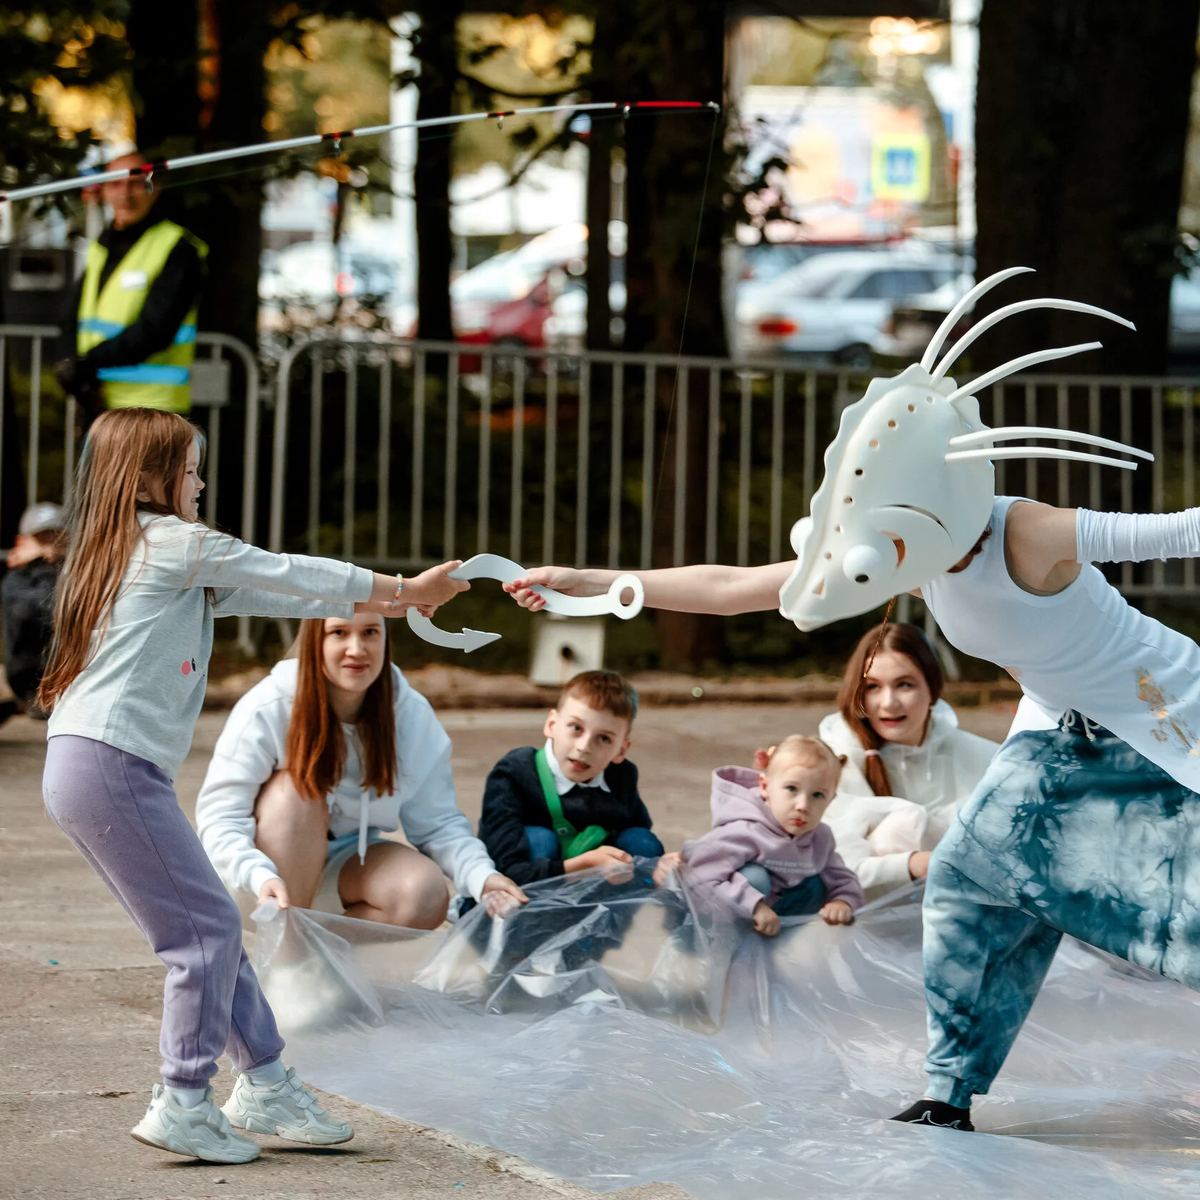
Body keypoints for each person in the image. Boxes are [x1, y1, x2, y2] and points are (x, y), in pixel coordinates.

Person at [502, 267, 1200, 1133]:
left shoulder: (1026, 533)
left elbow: (1182, 531)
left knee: (1178, 918)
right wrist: (588, 582)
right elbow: (731, 586)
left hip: (1168, 714)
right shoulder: (915, 553)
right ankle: (950, 1091)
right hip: (1060, 727)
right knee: (970, 881)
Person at [37, 407, 468, 1164]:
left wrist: (385, 604)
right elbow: (280, 569)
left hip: (90, 767)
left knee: (209, 928)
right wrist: (401, 588)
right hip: (109, 767)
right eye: (191, 470)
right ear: (149, 476)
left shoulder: (126, 550)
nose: (200, 484)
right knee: (202, 936)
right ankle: (183, 1098)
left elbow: (282, 595)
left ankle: (265, 1080)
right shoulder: (172, 543)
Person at [196, 612, 526, 926]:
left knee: (423, 893)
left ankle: (312, 963)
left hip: (344, 869)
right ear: (315, 640)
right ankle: (286, 960)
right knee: (293, 791)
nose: (357, 649)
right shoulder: (269, 706)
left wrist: (482, 876)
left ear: (385, 639)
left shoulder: (409, 713)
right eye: (339, 632)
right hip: (261, 880)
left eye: (370, 632)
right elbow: (220, 817)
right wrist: (257, 874)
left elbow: (437, 823)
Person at [817, 622, 997, 900]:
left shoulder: (987, 759)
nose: (889, 703)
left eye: (904, 684)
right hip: (862, 922)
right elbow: (829, 867)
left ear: (932, 688)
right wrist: (914, 864)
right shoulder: (833, 762)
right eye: (873, 687)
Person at [657, 735, 863, 934]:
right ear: (765, 787)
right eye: (791, 789)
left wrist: (843, 900)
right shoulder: (744, 830)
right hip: (707, 927)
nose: (803, 806)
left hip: (769, 923)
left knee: (816, 884)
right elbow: (698, 877)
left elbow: (842, 877)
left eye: (817, 795)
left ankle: (778, 951)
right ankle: (734, 952)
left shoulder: (819, 837)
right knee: (755, 876)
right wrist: (753, 906)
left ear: (831, 799)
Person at [57, 145, 206, 417]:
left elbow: (156, 329)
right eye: (115, 184)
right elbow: (72, 316)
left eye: (135, 183)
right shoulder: (98, 248)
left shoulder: (177, 248)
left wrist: (87, 364)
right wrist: (71, 366)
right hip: (97, 399)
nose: (125, 193)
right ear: (103, 191)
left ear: (154, 189)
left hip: (152, 408)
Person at [477, 669, 663, 886]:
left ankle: (613, 918)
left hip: (591, 891)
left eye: (603, 738)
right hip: (519, 890)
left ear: (621, 750)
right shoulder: (514, 773)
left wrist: (658, 868)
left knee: (642, 843)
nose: (584, 747)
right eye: (576, 728)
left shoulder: (621, 777)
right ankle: (530, 920)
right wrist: (580, 868)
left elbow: (638, 836)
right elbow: (504, 868)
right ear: (552, 725)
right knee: (538, 840)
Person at [0, 502, 68, 725]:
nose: (50, 546)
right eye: (42, 539)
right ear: (23, 543)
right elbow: (29, 612)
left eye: (56, 538)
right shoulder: (16, 578)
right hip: (29, 680)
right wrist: (44, 566)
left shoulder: (74, 573)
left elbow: (68, 610)